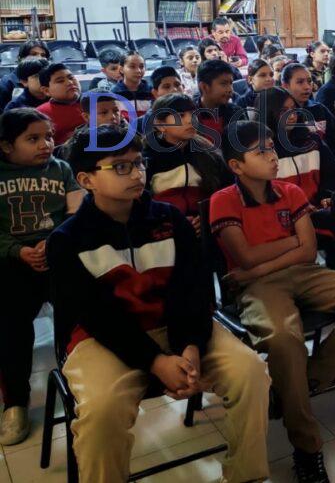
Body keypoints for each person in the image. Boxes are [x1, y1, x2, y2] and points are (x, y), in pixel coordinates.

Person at [47, 125, 271, 482]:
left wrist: (190, 346)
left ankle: (246, 475)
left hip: (175, 325)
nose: (137, 174)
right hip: (104, 339)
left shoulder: (169, 219)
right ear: (86, 180)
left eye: (139, 163)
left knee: (251, 372)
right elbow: (95, 316)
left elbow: (194, 289)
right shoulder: (67, 240)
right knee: (102, 411)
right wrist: (155, 361)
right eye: (121, 167)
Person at [210, 121, 335, 481]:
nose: (273, 156)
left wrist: (266, 260)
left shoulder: (289, 191)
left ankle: (304, 383)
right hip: (258, 288)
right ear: (236, 166)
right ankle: (307, 446)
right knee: (283, 338)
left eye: (272, 148)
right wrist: (288, 244)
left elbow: (307, 252)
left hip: (301, 274)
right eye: (261, 152)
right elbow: (244, 256)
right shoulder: (223, 200)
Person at [0, 109, 85, 445]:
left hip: (56, 255)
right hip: (11, 264)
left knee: (76, 315)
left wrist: (53, 242)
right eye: (33, 139)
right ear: (6, 145)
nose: (45, 144)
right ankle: (15, 402)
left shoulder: (62, 169)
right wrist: (17, 250)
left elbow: (76, 213)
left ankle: (81, 381)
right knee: (12, 330)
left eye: (48, 136)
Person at [144, 93, 233, 228]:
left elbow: (226, 190)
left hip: (208, 224)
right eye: (181, 116)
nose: (190, 120)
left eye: (192, 114)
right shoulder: (148, 158)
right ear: (161, 125)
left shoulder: (208, 152)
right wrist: (175, 221)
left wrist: (207, 216)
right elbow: (143, 203)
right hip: (165, 228)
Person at [280, 63, 335, 157]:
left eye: (309, 81)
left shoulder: (318, 109)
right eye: (300, 82)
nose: (307, 87)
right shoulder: (282, 114)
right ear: (285, 86)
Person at [37, 62, 84, 144]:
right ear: (46, 90)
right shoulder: (40, 114)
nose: (70, 82)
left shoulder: (96, 102)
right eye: (60, 81)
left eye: (71, 77)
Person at [0, 40, 50, 108]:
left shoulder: (51, 78)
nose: (39, 58)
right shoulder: (7, 82)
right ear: (21, 58)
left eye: (43, 55)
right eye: (33, 54)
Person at [111, 51, 152, 118]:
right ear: (121, 69)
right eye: (132, 67)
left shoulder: (152, 92)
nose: (138, 70)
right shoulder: (113, 95)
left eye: (141, 66)